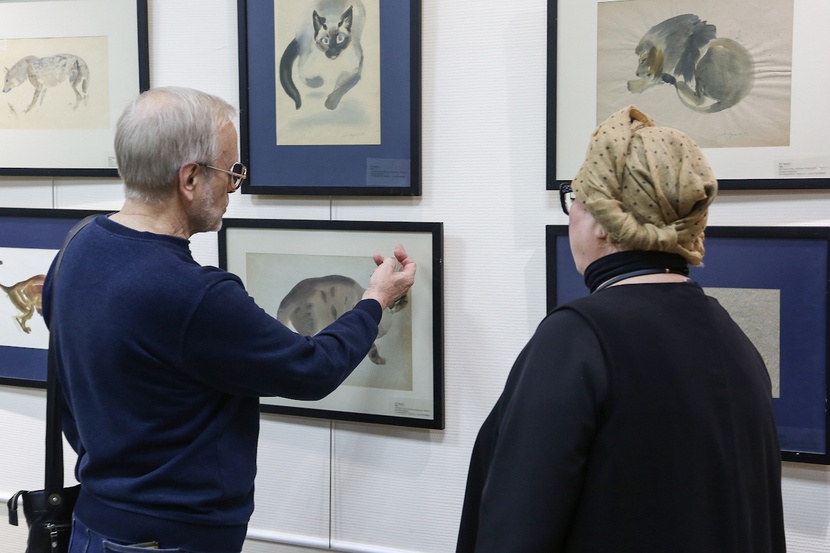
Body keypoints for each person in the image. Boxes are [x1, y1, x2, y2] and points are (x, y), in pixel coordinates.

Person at [42, 86, 416, 553]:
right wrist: (375, 299)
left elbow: (71, 391)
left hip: (92, 523)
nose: (233, 187)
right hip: (168, 539)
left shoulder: (76, 247)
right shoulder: (194, 294)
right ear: (190, 178)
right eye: (231, 172)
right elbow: (313, 367)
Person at [456, 105, 786, 552]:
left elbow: (515, 526)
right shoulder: (731, 336)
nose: (571, 215)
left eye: (576, 198)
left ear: (603, 222)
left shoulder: (578, 337)